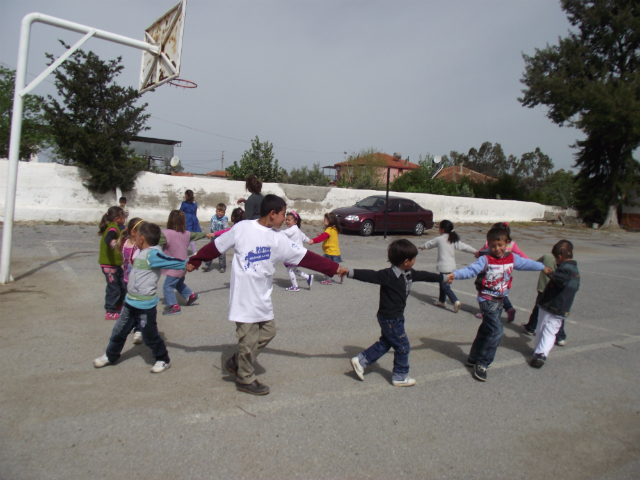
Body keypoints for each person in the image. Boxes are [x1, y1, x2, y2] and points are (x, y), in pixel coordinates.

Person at [187, 194, 348, 396]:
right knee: (247, 341)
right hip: (244, 297)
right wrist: (196, 260)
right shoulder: (243, 228)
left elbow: (306, 258)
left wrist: (334, 267)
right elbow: (216, 246)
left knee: (268, 332)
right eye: (282, 215)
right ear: (272, 214)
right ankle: (245, 378)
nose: (284, 219)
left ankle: (236, 362)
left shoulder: (278, 239)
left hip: (262, 297)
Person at [447, 226, 551, 382]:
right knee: (496, 331)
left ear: (507, 243)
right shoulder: (485, 259)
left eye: (500, 245)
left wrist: (542, 268)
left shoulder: (512, 258)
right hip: (487, 300)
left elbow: (527, 264)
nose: (496, 249)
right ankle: (482, 364)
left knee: (486, 329)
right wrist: (455, 274)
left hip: (500, 300)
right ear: (488, 244)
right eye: (493, 245)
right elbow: (471, 270)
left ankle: (473, 357)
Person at [93, 222, 189, 374]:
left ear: (142, 239)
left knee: (150, 335)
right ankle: (110, 356)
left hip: (145, 306)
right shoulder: (141, 251)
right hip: (130, 303)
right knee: (119, 331)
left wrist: (187, 263)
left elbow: (171, 261)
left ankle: (163, 360)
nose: (135, 238)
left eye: (136, 236)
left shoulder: (153, 254)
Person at [346, 239, 443, 387]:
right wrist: (349, 272)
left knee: (387, 342)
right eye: (414, 259)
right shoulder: (388, 275)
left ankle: (360, 361)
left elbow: (426, 275)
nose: (415, 261)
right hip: (390, 319)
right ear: (406, 261)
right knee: (403, 347)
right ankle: (400, 376)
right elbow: (369, 275)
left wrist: (442, 278)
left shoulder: (409, 273)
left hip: (394, 318)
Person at [530, 240, 580, 368]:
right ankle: (541, 353)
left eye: (556, 259)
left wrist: (551, 274)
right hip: (563, 307)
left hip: (550, 305)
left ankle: (540, 353)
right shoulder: (575, 271)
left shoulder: (564, 269)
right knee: (550, 331)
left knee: (542, 328)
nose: (555, 261)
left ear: (560, 257)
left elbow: (561, 281)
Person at [419, 220, 477, 313]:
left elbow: (430, 243)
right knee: (443, 283)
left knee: (445, 286)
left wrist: (422, 246)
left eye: (439, 228)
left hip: (444, 267)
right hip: (451, 267)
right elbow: (465, 247)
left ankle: (455, 301)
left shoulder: (440, 239)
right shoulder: (453, 239)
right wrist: (475, 251)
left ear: (442, 229)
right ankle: (442, 301)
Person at [160, 210, 211, 316]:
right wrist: (205, 234)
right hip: (184, 265)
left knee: (167, 286)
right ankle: (191, 295)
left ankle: (174, 306)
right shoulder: (186, 234)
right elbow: (195, 235)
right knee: (178, 284)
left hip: (174, 266)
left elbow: (153, 240)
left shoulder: (166, 234)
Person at [474, 222, 528, 322]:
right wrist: (527, 261)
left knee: (485, 292)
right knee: (500, 293)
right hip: (504, 274)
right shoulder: (511, 244)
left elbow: (480, 252)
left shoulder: (489, 243)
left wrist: (477, 254)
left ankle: (485, 312)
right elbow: (521, 254)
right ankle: (508, 308)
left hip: (489, 273)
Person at [521, 253, 567, 347]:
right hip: (555, 291)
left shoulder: (547, 257)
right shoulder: (565, 263)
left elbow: (535, 263)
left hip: (544, 289)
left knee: (546, 310)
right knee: (554, 312)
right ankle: (531, 327)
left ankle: (559, 336)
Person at [118, 217, 144, 344]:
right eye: (142, 231)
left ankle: (138, 329)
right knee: (134, 305)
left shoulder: (127, 243)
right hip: (131, 280)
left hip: (129, 279)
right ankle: (136, 327)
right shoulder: (133, 246)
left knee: (135, 305)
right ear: (134, 232)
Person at [98, 206, 127, 320]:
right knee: (113, 288)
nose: (125, 218)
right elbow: (108, 238)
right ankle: (110, 310)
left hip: (115, 265)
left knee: (121, 285)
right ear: (117, 218)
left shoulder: (116, 227)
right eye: (124, 216)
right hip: (109, 266)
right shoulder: (113, 228)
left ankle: (119, 305)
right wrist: (112, 242)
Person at [282, 210, 313, 291]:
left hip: (294, 253)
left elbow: (282, 233)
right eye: (286, 219)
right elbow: (304, 238)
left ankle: (295, 286)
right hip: (298, 253)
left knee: (290, 269)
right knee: (293, 270)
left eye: (289, 220)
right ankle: (307, 277)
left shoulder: (292, 229)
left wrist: (273, 232)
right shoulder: (297, 230)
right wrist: (309, 240)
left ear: (295, 221)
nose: (287, 221)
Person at [308, 212, 342, 285]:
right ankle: (342, 273)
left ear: (330, 221)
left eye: (326, 220)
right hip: (335, 252)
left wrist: (313, 240)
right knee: (334, 268)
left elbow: (322, 238)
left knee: (324, 266)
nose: (324, 222)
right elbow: (328, 236)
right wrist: (322, 234)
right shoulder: (335, 228)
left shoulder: (329, 229)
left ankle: (328, 280)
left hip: (329, 253)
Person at [203, 203, 229, 273]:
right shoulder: (213, 218)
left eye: (222, 212)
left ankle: (222, 266)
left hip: (221, 239)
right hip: (213, 238)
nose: (220, 213)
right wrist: (209, 233)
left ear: (224, 212)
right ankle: (207, 265)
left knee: (221, 253)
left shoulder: (224, 220)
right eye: (219, 211)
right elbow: (210, 226)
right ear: (216, 211)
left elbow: (225, 230)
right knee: (210, 252)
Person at [180, 189, 201, 254]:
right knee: (190, 236)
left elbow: (180, 211)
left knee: (187, 235)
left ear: (186, 196)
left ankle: (191, 251)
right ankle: (189, 250)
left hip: (187, 220)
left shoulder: (184, 204)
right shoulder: (195, 204)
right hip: (194, 219)